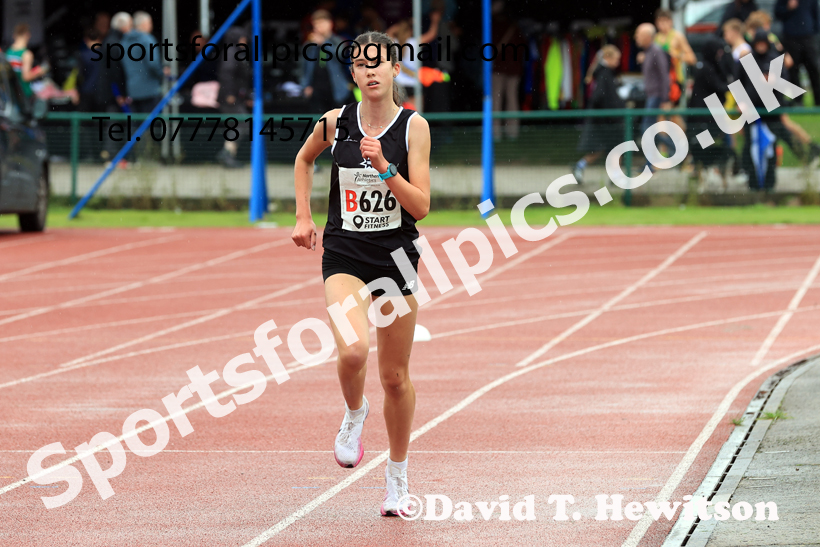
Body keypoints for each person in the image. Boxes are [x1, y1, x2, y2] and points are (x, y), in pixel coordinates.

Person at [291, 31, 431, 517]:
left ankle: (397, 479)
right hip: (345, 253)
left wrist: (386, 167)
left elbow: (423, 205)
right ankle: (354, 414)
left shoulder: (414, 128)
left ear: (396, 69)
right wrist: (303, 216)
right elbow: (303, 159)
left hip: (396, 258)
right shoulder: (334, 123)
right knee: (353, 350)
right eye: (360, 63)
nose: (370, 70)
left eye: (379, 62)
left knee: (394, 377)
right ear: (352, 73)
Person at [687, 36, 736, 192]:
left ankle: (706, 169)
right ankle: (703, 169)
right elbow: (719, 87)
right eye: (718, 53)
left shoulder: (709, 67)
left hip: (708, 118)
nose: (720, 56)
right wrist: (732, 83)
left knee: (709, 143)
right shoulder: (707, 68)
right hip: (703, 119)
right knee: (703, 145)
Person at [573, 45, 625, 185]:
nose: (618, 62)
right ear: (607, 58)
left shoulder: (603, 73)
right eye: (616, 58)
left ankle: (580, 166)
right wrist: (615, 109)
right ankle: (615, 176)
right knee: (615, 148)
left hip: (604, 119)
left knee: (604, 148)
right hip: (607, 120)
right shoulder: (605, 74)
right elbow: (599, 97)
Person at [635, 23, 675, 165]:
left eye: (639, 35)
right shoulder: (648, 53)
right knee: (648, 130)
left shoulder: (656, 51)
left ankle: (674, 149)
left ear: (647, 36)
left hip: (656, 96)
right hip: (652, 95)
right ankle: (652, 163)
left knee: (646, 129)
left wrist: (665, 98)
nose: (636, 38)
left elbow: (664, 76)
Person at [386, 11, 442, 111]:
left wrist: (400, 26)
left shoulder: (393, 43)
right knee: (415, 116)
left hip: (398, 84)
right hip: (413, 84)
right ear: (411, 30)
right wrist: (435, 21)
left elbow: (387, 33)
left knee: (397, 117)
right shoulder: (414, 42)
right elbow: (432, 34)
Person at [301, 10, 354, 114]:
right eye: (315, 24)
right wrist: (305, 85)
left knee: (336, 119)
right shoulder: (310, 43)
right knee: (317, 121)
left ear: (329, 24)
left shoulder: (337, 40)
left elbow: (340, 55)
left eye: (321, 23)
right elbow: (304, 66)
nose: (318, 27)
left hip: (335, 87)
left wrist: (324, 43)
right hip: (316, 88)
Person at [216, 27, 252, 167]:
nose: (245, 41)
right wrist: (229, 94)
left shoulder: (237, 52)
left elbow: (242, 79)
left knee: (237, 125)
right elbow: (226, 74)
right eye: (242, 38)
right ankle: (226, 153)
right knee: (242, 123)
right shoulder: (232, 52)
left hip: (235, 97)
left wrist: (246, 95)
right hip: (229, 98)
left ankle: (229, 155)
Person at [490, 0, 524, 140]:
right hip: (514, 67)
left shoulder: (493, 24)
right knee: (512, 99)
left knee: (496, 100)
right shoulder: (514, 26)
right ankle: (513, 132)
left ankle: (495, 133)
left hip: (498, 66)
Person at [775, 0, 820, 106]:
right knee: (793, 70)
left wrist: (814, 35)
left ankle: (818, 100)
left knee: (814, 69)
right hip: (791, 38)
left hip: (809, 37)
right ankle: (798, 100)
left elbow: (816, 15)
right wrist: (788, 8)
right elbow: (777, 13)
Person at [121, 11, 164, 113]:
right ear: (144, 24)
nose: (151, 26)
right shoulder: (147, 39)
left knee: (136, 124)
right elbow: (153, 63)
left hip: (132, 89)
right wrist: (161, 74)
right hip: (150, 90)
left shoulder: (124, 41)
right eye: (150, 23)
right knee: (152, 124)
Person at [6, 23, 48, 100]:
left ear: (14, 35)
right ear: (27, 35)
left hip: (11, 93)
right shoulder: (26, 54)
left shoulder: (8, 53)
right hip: (24, 94)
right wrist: (39, 71)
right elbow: (26, 77)